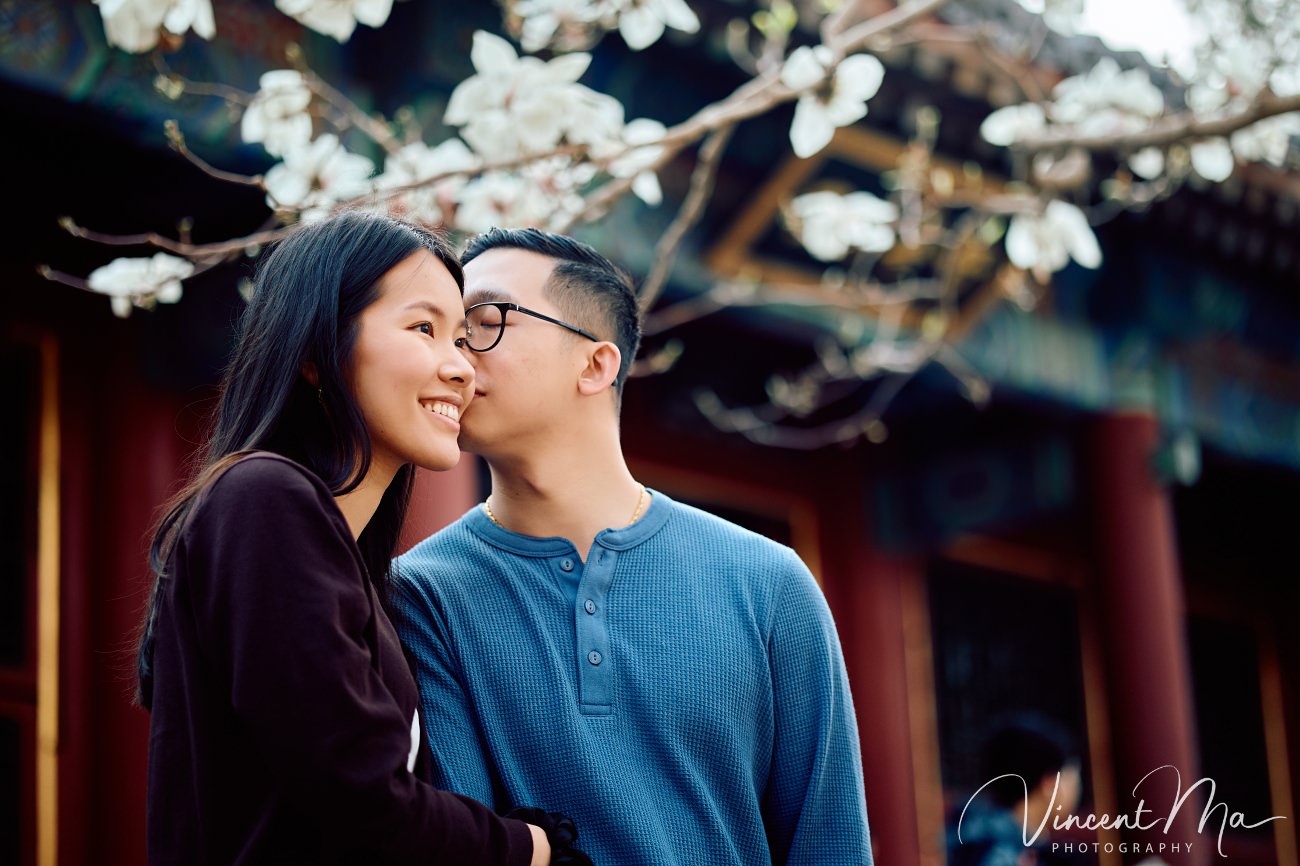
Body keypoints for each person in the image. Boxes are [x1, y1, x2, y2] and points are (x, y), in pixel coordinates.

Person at [392, 227, 873, 865]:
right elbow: (470, 844)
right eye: (449, 332)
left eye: (483, 320)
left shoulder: (768, 582)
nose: (455, 356)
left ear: (595, 364)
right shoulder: (421, 593)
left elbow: (830, 844)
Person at [136, 211, 563, 865]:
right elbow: (358, 798)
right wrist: (529, 848)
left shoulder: (348, 565)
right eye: (425, 328)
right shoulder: (263, 501)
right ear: (315, 353)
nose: (462, 372)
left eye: (463, 341)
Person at [948, 713, 1083, 866]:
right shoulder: (1001, 850)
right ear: (1050, 784)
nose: (1077, 790)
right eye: (1073, 779)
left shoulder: (972, 834)